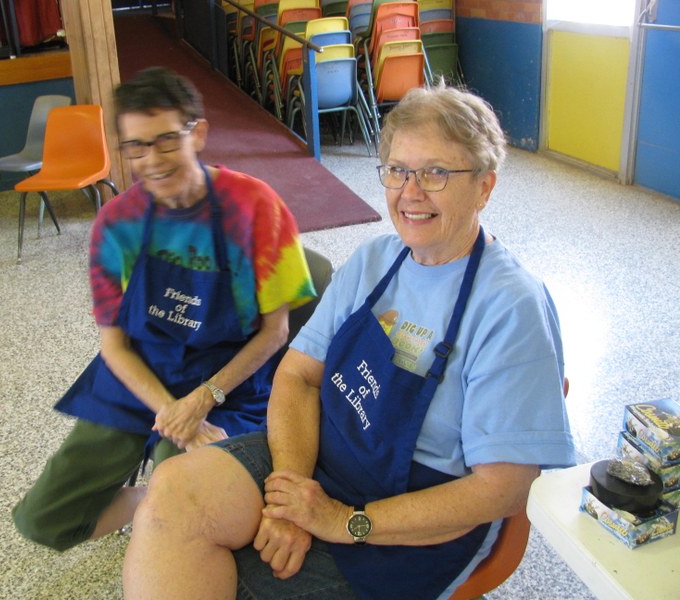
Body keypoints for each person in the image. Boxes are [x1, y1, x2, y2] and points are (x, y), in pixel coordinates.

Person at [121, 83, 576, 599]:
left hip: (413, 516)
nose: (411, 192)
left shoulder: (511, 306)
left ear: (485, 187)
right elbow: (297, 375)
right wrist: (292, 497)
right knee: (173, 490)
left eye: (436, 173)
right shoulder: (374, 260)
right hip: (320, 454)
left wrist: (344, 521)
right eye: (398, 170)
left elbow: (504, 488)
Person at [12, 67, 315, 552]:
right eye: (136, 146)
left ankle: (171, 511)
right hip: (142, 374)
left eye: (166, 140)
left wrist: (204, 399)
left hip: (231, 379)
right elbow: (113, 345)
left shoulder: (256, 207)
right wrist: (171, 410)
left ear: (198, 133)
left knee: (191, 498)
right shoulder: (116, 225)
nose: (151, 160)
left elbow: (274, 332)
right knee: (44, 521)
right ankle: (149, 500)